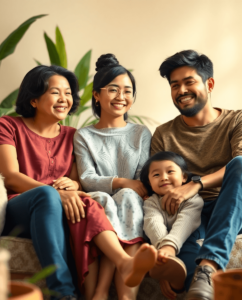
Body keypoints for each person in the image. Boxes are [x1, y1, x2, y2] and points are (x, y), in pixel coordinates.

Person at [0, 65, 157, 300]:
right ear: (34, 99)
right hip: (19, 209)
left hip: (61, 209)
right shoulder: (7, 126)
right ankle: (63, 293)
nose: (64, 99)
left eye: (68, 93)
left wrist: (74, 187)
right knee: (47, 196)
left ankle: (122, 265)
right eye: (55, 92)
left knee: (93, 202)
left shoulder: (72, 135)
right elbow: (10, 176)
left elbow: (78, 182)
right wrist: (56, 193)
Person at [151, 50, 242, 300]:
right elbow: (158, 183)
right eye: (174, 85)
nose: (181, 90)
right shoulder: (163, 134)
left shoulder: (240, 119)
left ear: (209, 84)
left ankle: (209, 266)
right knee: (179, 224)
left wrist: (196, 184)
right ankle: (191, 283)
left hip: (234, 207)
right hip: (191, 214)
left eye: (189, 82)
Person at [73, 53, 152, 300]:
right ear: (97, 94)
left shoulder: (141, 133)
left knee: (128, 197)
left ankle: (110, 294)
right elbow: (86, 177)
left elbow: (141, 180)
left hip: (131, 201)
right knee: (101, 200)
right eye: (113, 89)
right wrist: (121, 182)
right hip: (100, 199)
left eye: (128, 91)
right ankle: (102, 291)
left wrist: (128, 187)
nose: (121, 97)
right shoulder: (83, 135)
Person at [140, 151, 203, 295]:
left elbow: (186, 222)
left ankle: (181, 284)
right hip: (161, 244)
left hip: (188, 237)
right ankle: (173, 277)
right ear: (149, 183)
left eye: (170, 171)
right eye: (156, 175)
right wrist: (164, 252)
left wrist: (169, 247)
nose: (163, 177)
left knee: (191, 253)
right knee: (148, 240)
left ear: (184, 177)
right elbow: (153, 223)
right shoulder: (151, 202)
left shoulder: (193, 198)